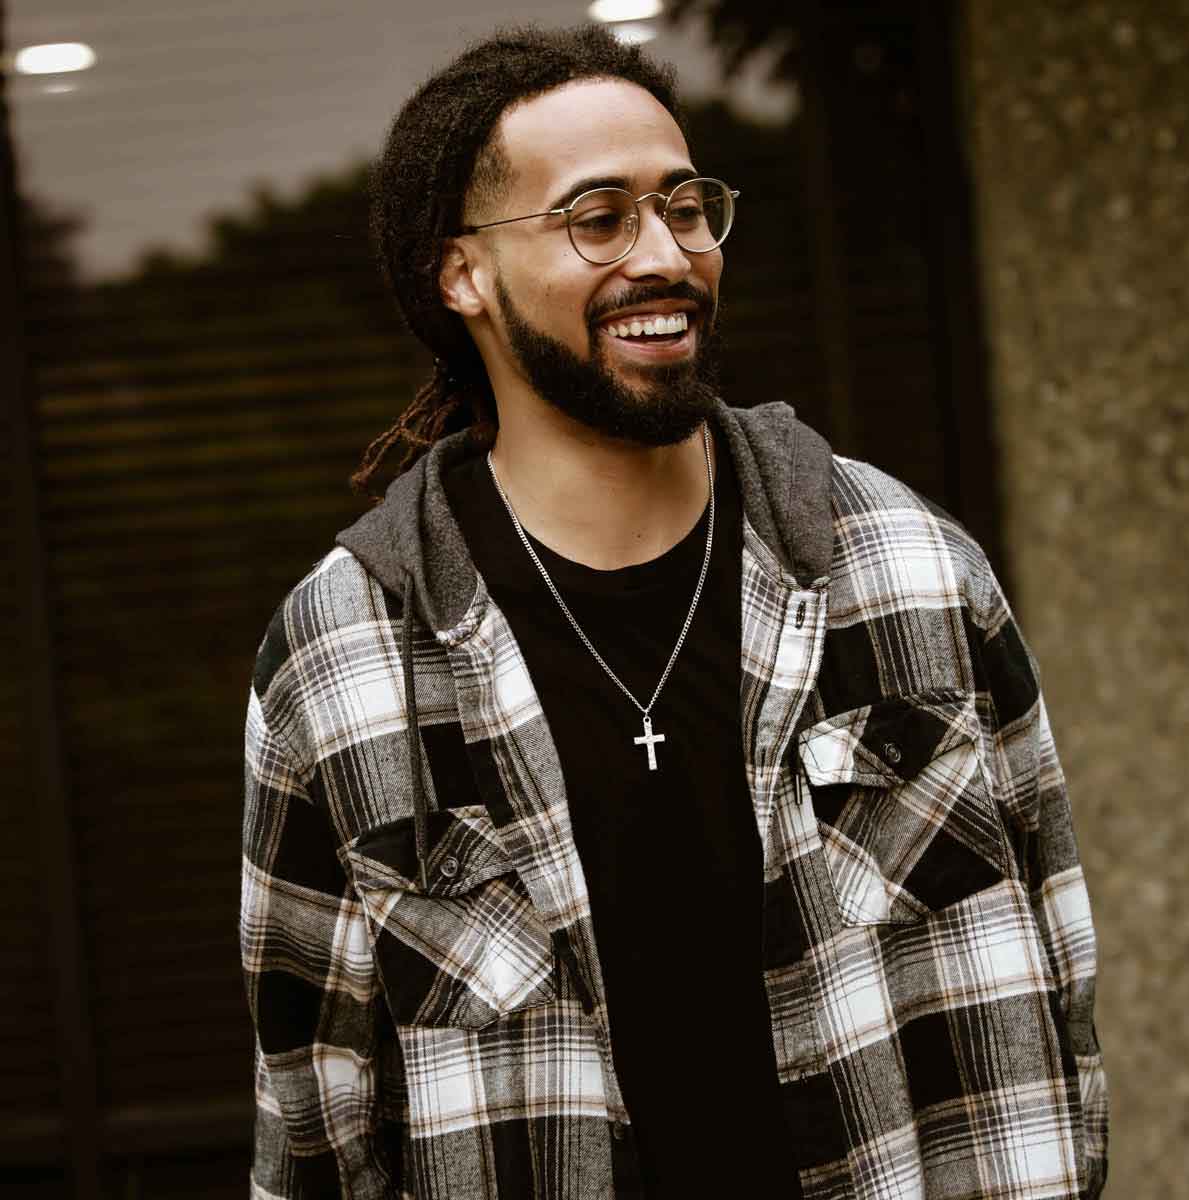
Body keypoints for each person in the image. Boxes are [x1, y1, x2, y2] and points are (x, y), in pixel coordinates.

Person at [240, 24, 1108, 1200]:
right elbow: (312, 1121)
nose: (666, 253)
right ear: (463, 276)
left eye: (687, 207)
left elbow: (1060, 983)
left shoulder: (905, 570)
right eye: (598, 218)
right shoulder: (346, 658)